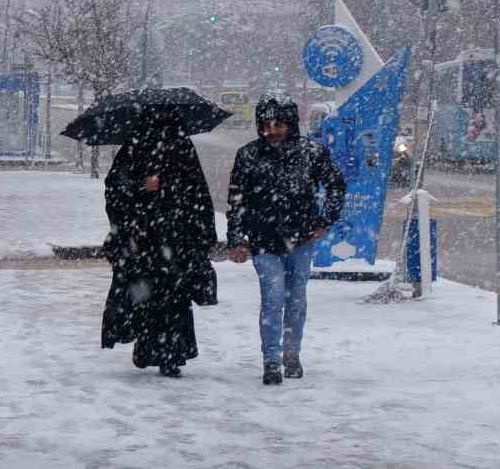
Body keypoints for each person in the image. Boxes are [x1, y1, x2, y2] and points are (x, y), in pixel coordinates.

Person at [226, 95, 347, 385]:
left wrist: (324, 222)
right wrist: (237, 239)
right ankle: (271, 360)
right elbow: (236, 200)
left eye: (278, 124)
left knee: (296, 299)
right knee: (273, 299)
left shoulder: (311, 153)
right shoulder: (248, 155)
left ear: (290, 124)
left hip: (301, 239)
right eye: (266, 124)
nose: (272, 130)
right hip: (264, 241)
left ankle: (292, 354)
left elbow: (335, 186)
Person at [101, 112, 217, 378]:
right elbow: (116, 187)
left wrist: (167, 189)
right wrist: (143, 186)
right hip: (147, 237)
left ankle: (169, 354)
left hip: (170, 237)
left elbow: (195, 189)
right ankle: (154, 348)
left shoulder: (176, 145)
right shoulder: (138, 145)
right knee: (152, 297)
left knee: (168, 298)